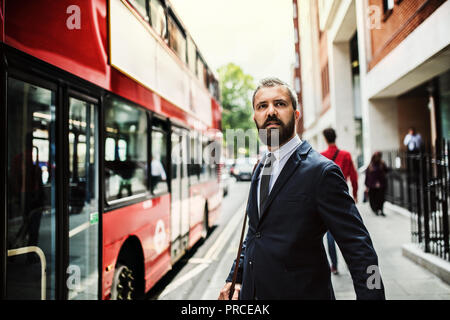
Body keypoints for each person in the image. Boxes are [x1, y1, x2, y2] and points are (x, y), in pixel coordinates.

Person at [218, 77, 385, 300]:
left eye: (280, 104)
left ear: (296, 115)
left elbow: (360, 250)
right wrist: (236, 278)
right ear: (255, 117)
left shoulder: (322, 172)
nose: (271, 112)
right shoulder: (261, 167)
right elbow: (254, 233)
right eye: (262, 106)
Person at [320, 128, 359, 275]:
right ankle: (352, 263)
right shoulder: (346, 155)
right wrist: (355, 194)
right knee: (349, 233)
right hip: (343, 198)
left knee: (330, 235)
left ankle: (334, 266)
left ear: (325, 139)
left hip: (327, 200)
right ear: (335, 137)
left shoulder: (321, 156)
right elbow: (354, 177)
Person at [365, 151, 388, 217]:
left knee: (381, 199)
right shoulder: (370, 165)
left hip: (381, 185)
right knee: (373, 199)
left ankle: (381, 210)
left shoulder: (382, 164)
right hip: (372, 186)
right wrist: (367, 186)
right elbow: (367, 176)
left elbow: (386, 171)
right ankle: (376, 210)